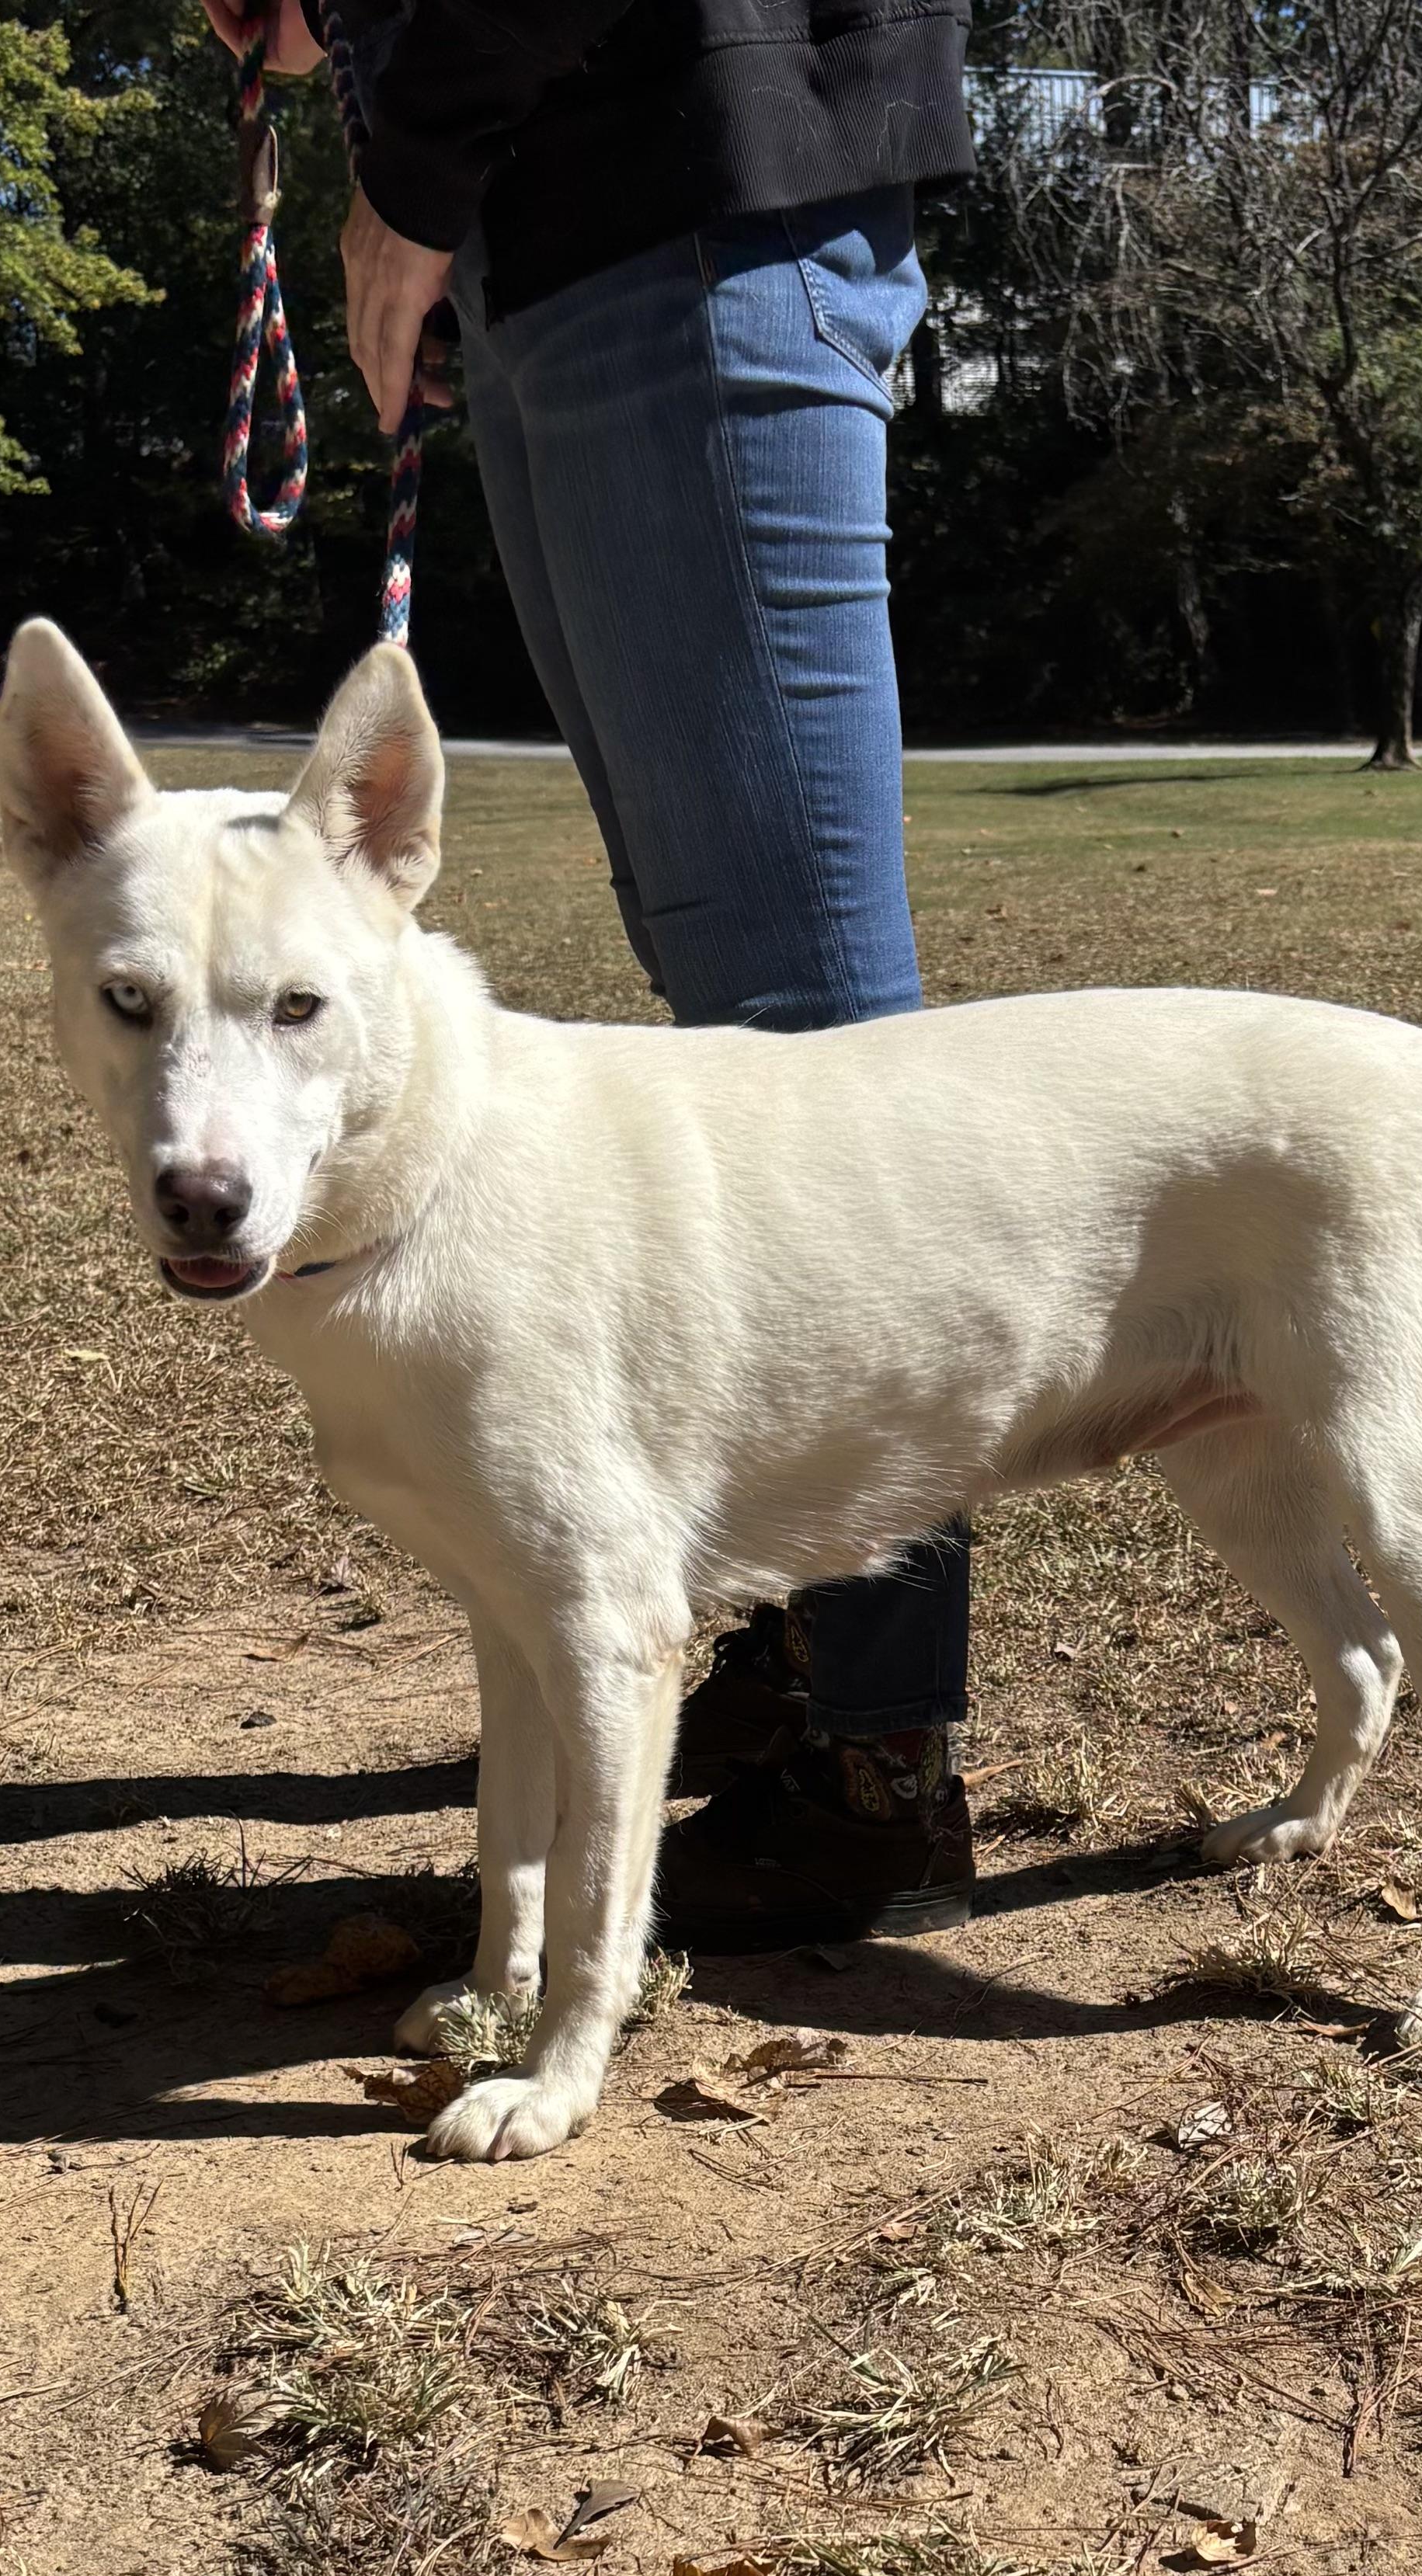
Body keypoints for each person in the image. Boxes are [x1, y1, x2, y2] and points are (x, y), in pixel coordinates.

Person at [201, 0, 979, 1951]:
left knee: (797, 1005)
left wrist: (408, 161)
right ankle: (805, 1649)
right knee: (728, 972)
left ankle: (874, 1738)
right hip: (592, 226)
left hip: (684, 206)